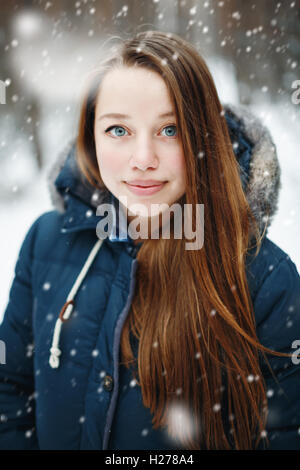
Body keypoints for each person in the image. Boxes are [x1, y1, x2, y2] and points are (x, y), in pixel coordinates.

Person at [0, 30, 300, 451]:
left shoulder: (266, 279)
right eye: (118, 130)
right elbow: (10, 389)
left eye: (170, 129)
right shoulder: (46, 243)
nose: (143, 159)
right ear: (91, 137)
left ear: (203, 138)